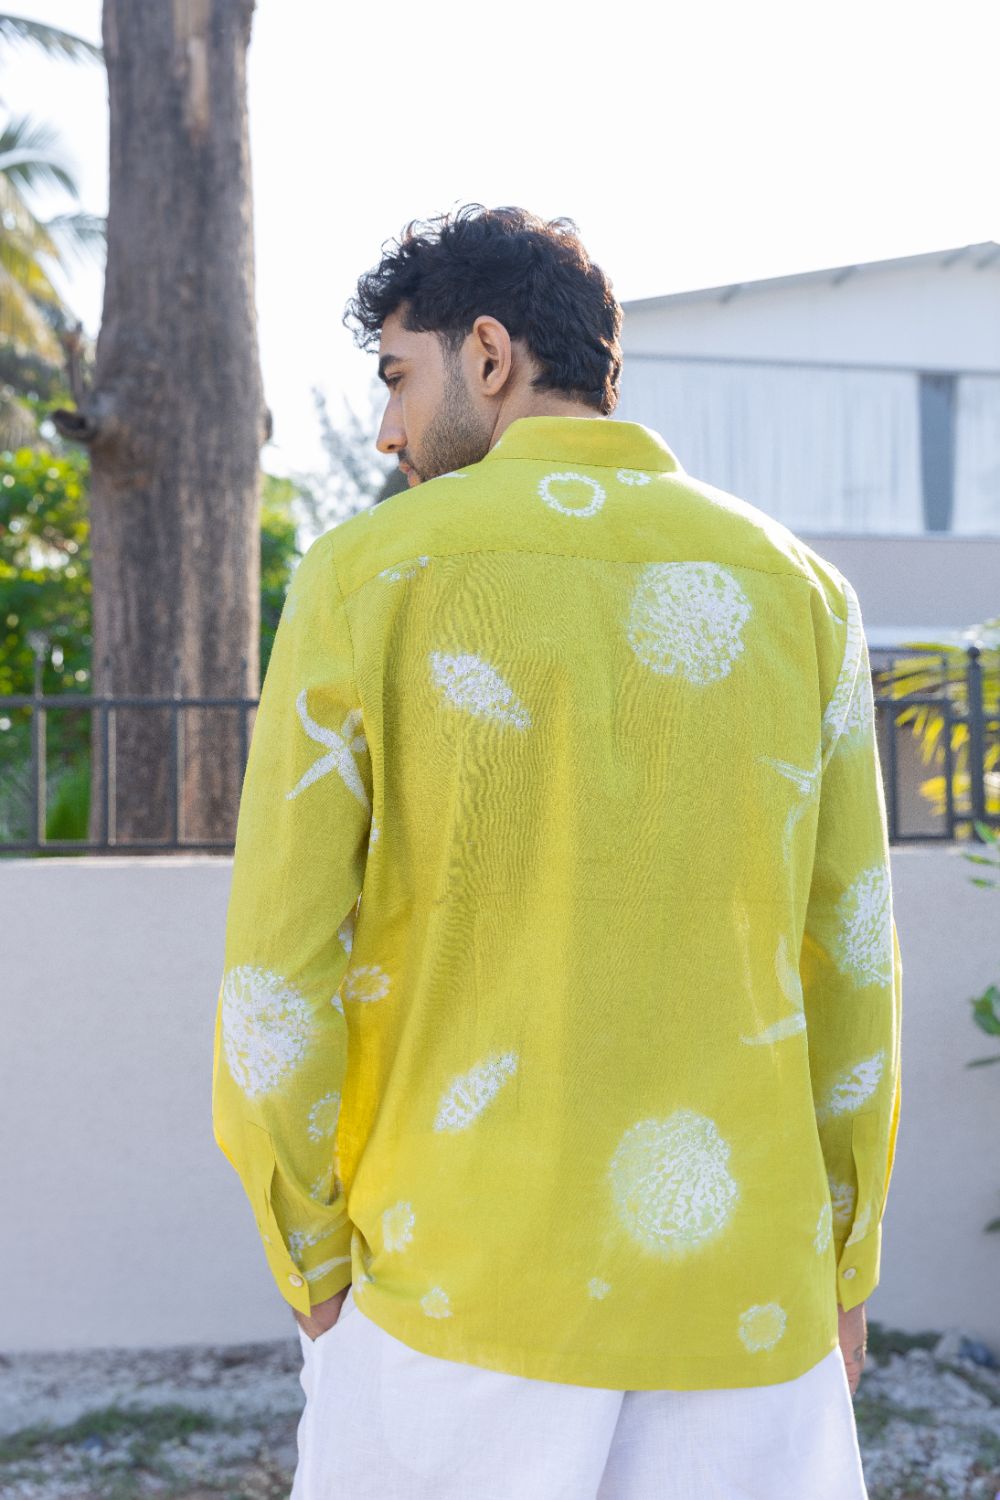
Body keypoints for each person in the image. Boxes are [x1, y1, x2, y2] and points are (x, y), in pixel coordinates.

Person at [211, 204, 902, 1499]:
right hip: (747, 1306)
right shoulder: (804, 594)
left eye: (397, 378)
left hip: (457, 1296)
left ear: (488, 355)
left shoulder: (367, 579)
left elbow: (274, 980)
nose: (387, 431)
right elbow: (853, 967)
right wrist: (843, 1267)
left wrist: (310, 1259)